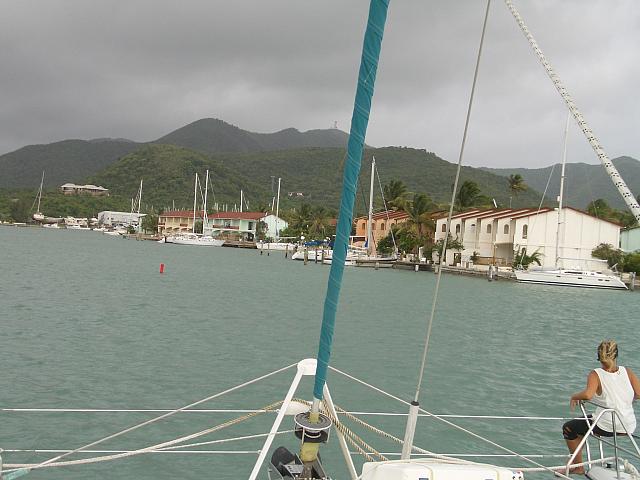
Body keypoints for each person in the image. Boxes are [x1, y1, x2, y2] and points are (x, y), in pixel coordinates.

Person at [562, 340, 640, 474]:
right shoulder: (627, 372)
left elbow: (587, 394)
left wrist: (575, 396)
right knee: (583, 425)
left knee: (569, 428)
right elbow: (638, 394)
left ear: (599, 356)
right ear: (616, 355)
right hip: (628, 425)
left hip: (606, 425)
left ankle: (578, 467)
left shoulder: (595, 374)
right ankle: (578, 464)